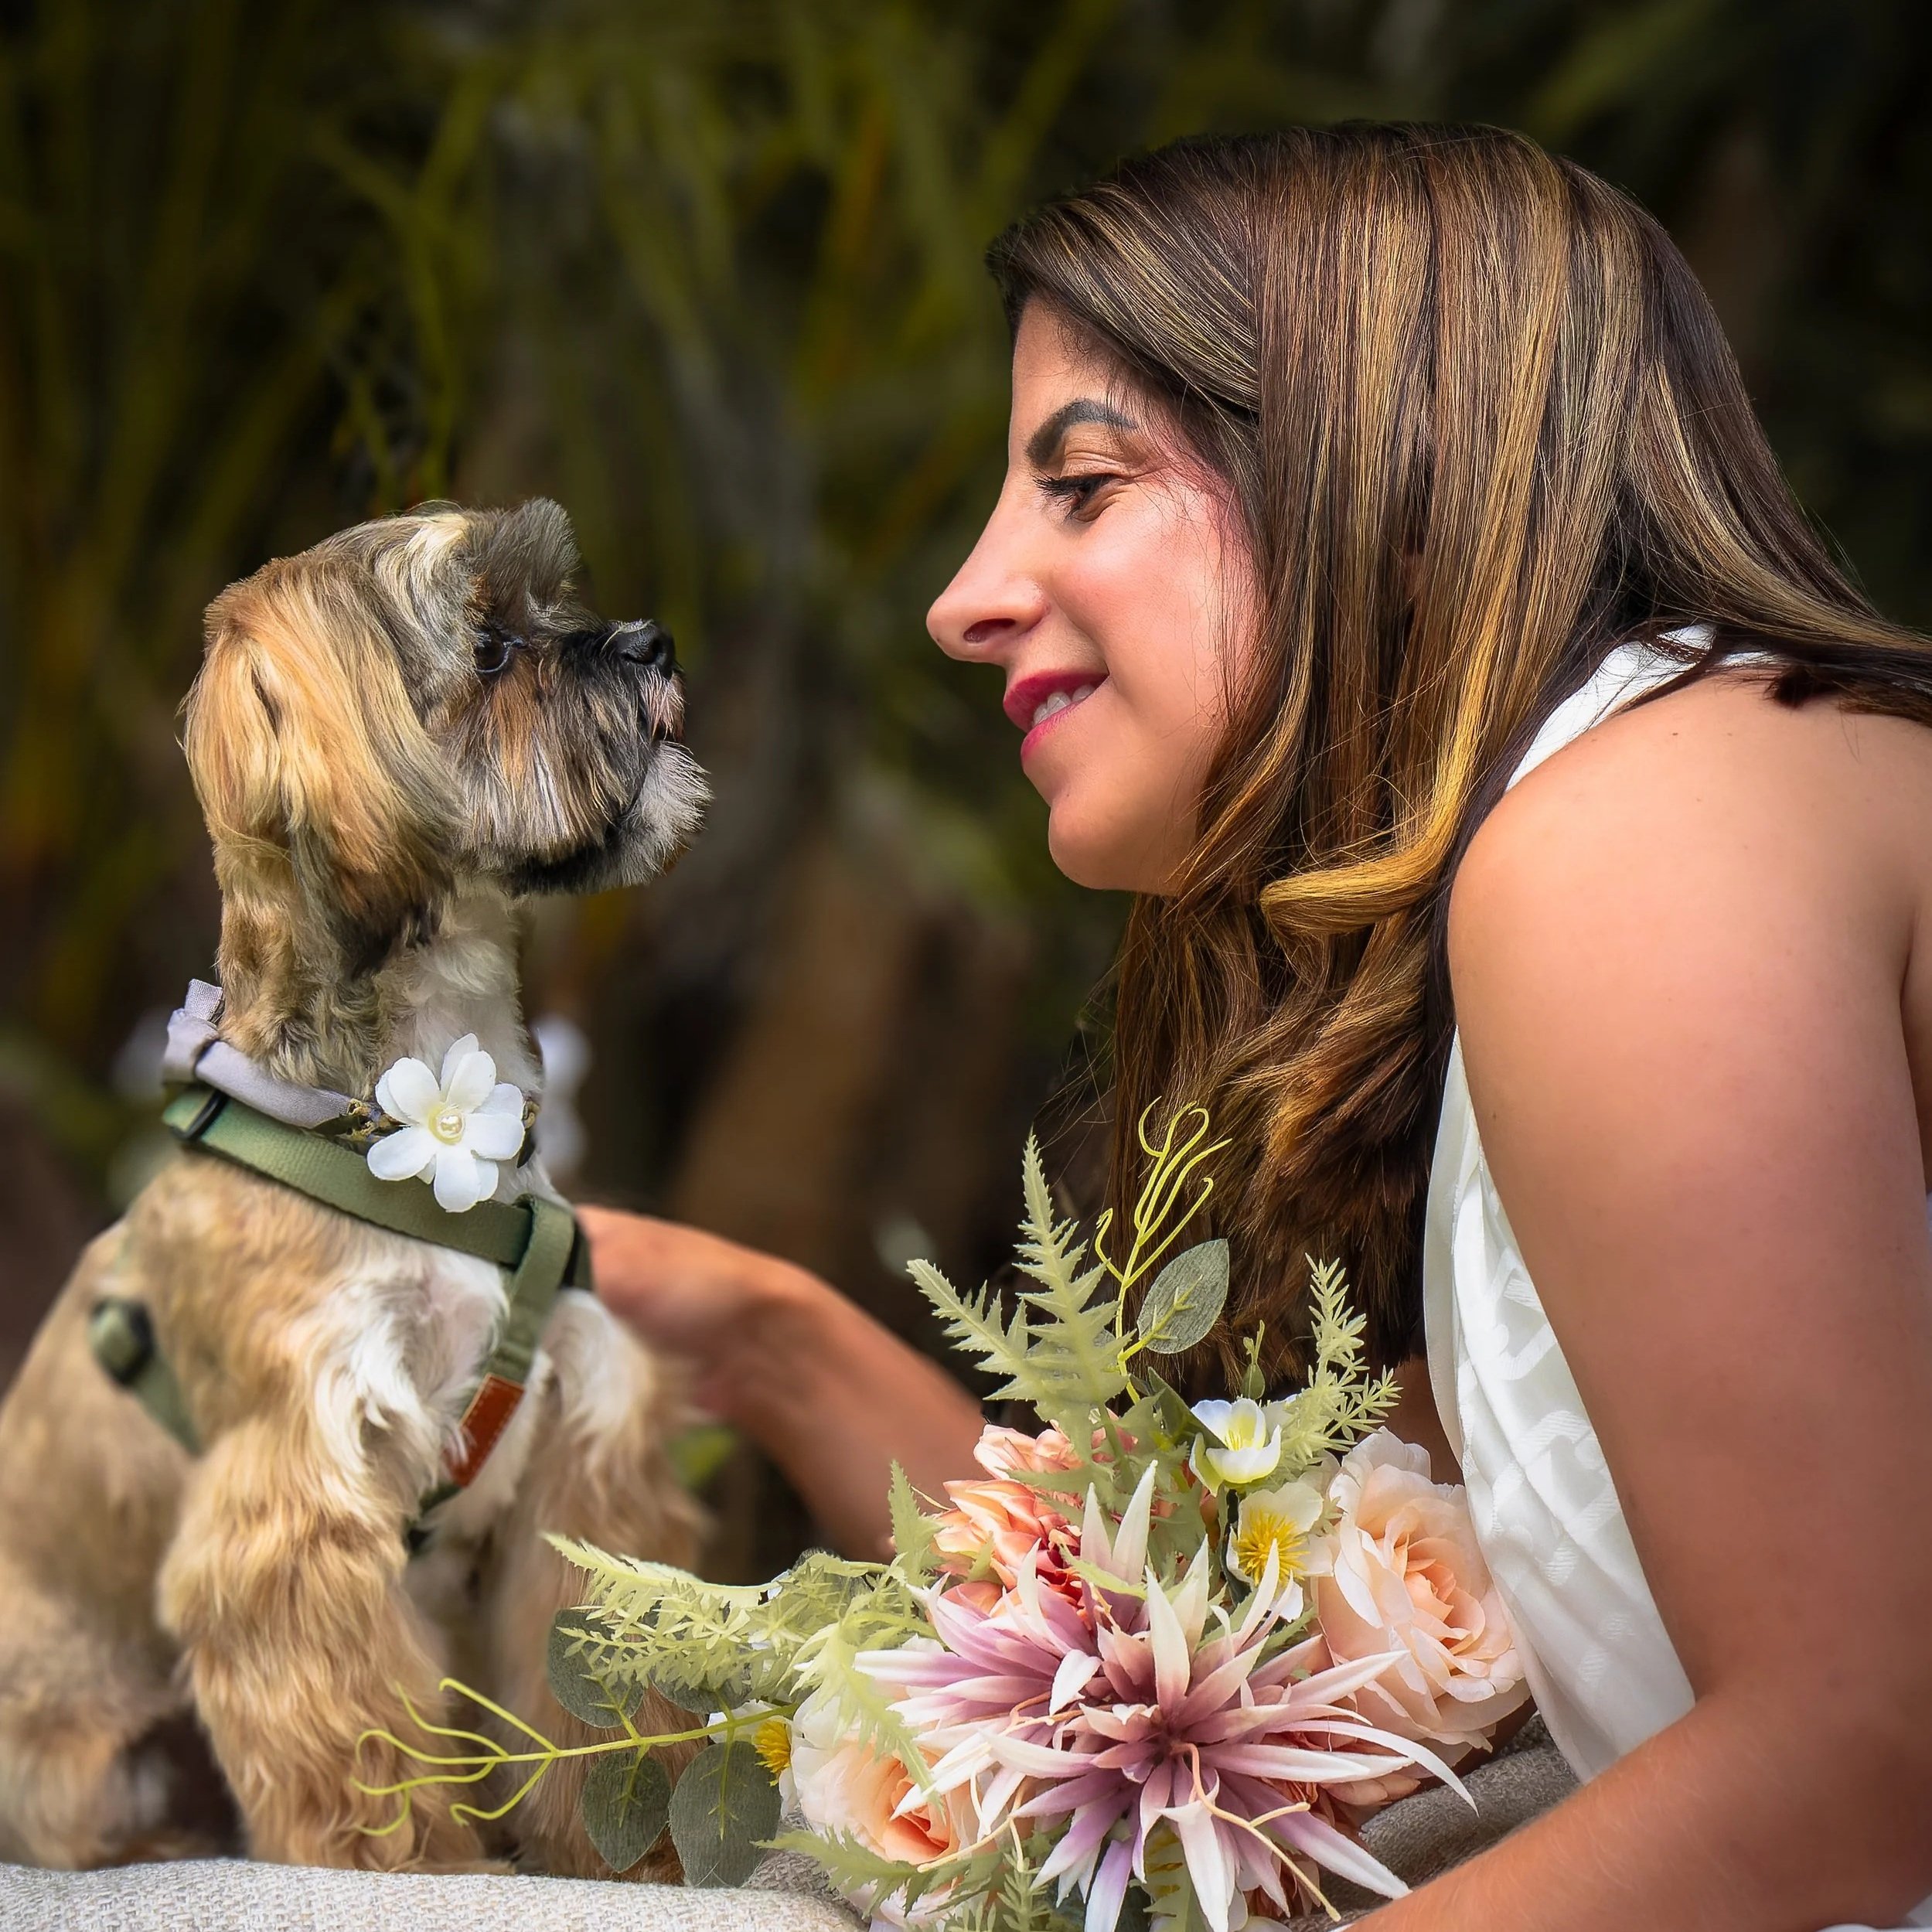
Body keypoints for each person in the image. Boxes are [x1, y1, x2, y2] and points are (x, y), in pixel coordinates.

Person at [581, 126, 1932, 1930]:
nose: (961, 598)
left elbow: (1861, 1752)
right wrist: (763, 1342)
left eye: (1082, 480)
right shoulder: (1620, 833)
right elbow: (1183, 1644)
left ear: (1375, 462)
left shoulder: (1633, 837)